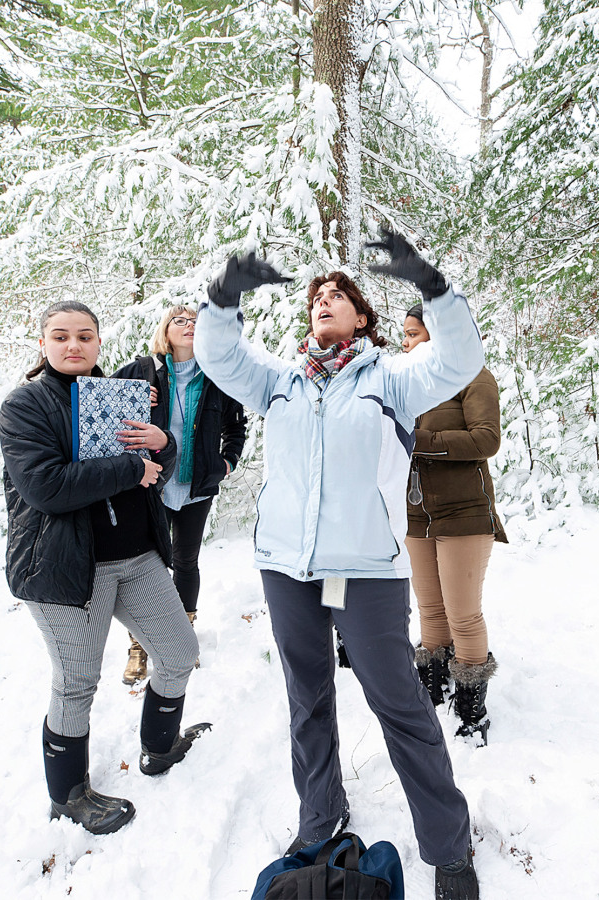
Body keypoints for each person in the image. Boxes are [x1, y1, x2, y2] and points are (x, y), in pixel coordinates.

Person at [194, 227, 484, 900]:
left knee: (399, 703)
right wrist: (221, 297)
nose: (325, 300)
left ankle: (448, 846)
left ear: (361, 317)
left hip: (366, 569)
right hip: (286, 565)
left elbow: (460, 359)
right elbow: (219, 355)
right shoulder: (282, 381)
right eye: (317, 295)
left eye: (339, 294)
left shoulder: (394, 380)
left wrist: (434, 287)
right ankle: (320, 816)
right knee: (307, 698)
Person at [0, 300, 208, 835]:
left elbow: (153, 474)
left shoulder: (118, 396)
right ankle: (68, 797)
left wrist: (166, 444)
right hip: (68, 568)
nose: (74, 345)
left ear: (98, 342)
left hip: (136, 558)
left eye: (85, 336)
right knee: (76, 682)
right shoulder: (24, 406)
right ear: (43, 343)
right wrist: (130, 467)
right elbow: (46, 487)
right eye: (61, 336)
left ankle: (159, 749)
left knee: (180, 652)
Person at [112, 305, 248, 684]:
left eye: (195, 322)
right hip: (148, 487)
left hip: (195, 488)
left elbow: (236, 428)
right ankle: (139, 647)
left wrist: (226, 464)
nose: (188, 326)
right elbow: (105, 404)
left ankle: (182, 640)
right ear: (165, 331)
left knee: (186, 562)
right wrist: (137, 398)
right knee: (145, 569)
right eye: (180, 321)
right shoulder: (143, 371)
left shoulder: (217, 377)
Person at [401, 303, 506, 745]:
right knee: (430, 611)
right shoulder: (405, 382)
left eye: (414, 333)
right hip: (415, 513)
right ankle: (434, 684)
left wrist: (418, 441)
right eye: (403, 335)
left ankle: (470, 705)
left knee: (462, 614)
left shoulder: (470, 374)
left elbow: (487, 438)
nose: (406, 342)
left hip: (464, 511)